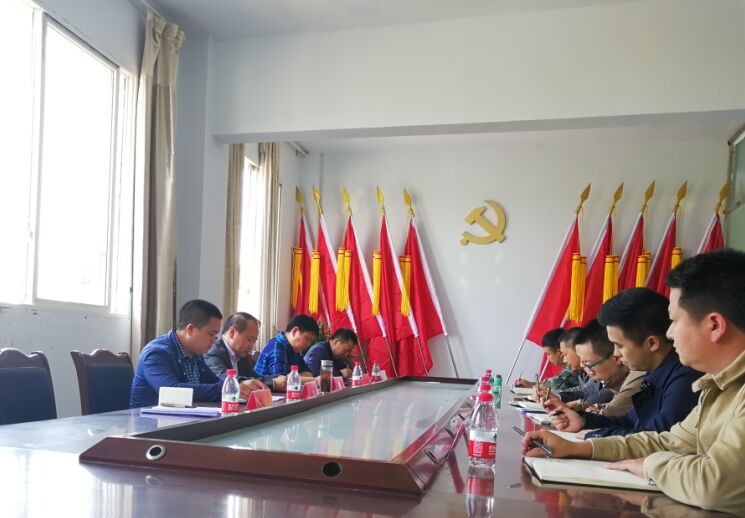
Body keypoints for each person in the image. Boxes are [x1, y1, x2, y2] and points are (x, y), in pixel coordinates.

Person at [522, 249, 745, 515]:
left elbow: (716, 485)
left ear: (715, 326)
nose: (669, 334)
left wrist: (649, 465)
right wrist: (578, 448)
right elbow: (666, 442)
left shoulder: (703, 381)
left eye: (675, 321)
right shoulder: (717, 386)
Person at [550, 288, 701, 438]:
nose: (615, 354)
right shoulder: (654, 373)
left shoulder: (685, 379)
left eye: (619, 346)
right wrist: (584, 421)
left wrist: (593, 437)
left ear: (652, 343)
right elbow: (630, 421)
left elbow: (655, 437)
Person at [130, 300, 266, 408]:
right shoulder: (157, 353)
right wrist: (227, 389)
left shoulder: (195, 353)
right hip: (148, 425)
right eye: (211, 334)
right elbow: (171, 391)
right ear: (190, 329)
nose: (214, 340)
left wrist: (237, 387)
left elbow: (214, 382)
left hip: (181, 420)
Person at [548, 319, 644, 417]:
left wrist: (581, 411)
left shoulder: (639, 375)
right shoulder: (610, 377)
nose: (618, 353)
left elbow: (610, 412)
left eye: (587, 362)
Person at [204, 312, 286, 391]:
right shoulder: (212, 351)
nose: (252, 346)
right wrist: (273, 383)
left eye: (254, 341)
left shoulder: (241, 354)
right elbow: (226, 380)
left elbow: (255, 378)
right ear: (232, 332)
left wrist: (282, 378)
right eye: (249, 340)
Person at [515, 328, 583, 390]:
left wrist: (530, 385)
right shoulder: (570, 365)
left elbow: (555, 384)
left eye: (549, 354)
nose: (547, 358)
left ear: (559, 351)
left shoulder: (573, 368)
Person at [253, 314, 318, 379]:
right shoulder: (276, 346)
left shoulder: (295, 351)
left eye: (310, 341)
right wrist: (313, 379)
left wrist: (291, 377)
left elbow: (309, 374)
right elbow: (281, 380)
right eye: (307, 339)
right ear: (295, 331)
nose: (308, 344)